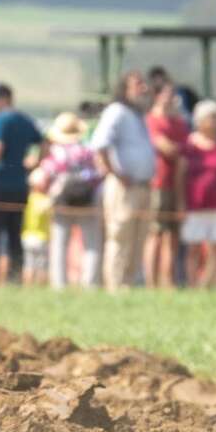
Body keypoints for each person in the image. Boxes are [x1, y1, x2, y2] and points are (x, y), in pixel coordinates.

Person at [89, 70, 157, 292]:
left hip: (142, 186)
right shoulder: (116, 111)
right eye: (138, 84)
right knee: (120, 236)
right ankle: (115, 286)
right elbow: (100, 144)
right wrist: (117, 174)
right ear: (125, 89)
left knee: (138, 238)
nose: (144, 89)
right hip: (124, 188)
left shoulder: (137, 115)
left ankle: (128, 284)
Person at [0, 83, 42, 286]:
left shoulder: (0, 120)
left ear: (4, 98)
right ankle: (15, 279)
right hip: (20, 187)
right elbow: (44, 143)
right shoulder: (24, 119)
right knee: (14, 237)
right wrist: (32, 165)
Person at [32, 111, 102, 290]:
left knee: (59, 244)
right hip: (87, 203)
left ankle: (59, 284)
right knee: (91, 244)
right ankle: (90, 284)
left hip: (61, 204)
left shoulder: (56, 154)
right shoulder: (88, 152)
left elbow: (41, 178)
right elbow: (98, 175)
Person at [177, 101, 216, 288]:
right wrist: (181, 203)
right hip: (195, 204)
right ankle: (193, 285)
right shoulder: (188, 145)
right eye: (210, 117)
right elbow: (180, 175)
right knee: (194, 247)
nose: (214, 121)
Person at [145, 81, 189, 288]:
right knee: (155, 233)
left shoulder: (180, 124)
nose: (171, 98)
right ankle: (151, 281)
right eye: (167, 93)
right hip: (158, 183)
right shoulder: (151, 120)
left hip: (179, 184)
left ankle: (168, 281)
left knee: (173, 235)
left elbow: (184, 151)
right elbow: (167, 148)